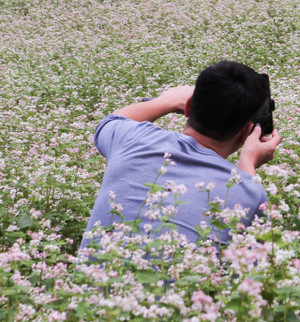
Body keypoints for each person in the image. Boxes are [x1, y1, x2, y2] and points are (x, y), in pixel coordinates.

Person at [79, 60, 282, 253]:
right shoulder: (250, 193)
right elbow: (250, 266)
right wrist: (248, 164)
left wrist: (166, 101)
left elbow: (110, 121)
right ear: (246, 131)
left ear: (188, 106)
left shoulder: (131, 139)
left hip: (87, 288)